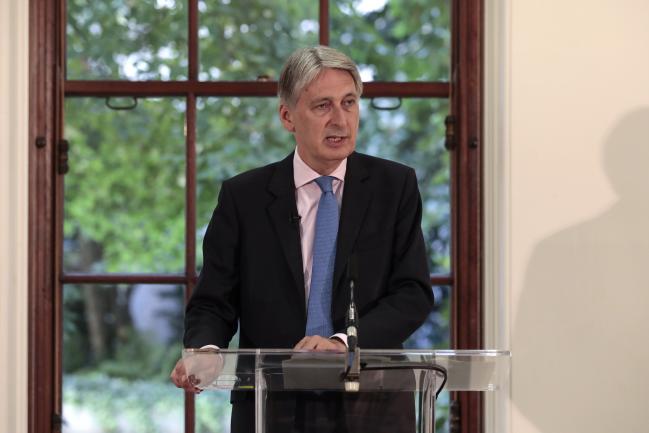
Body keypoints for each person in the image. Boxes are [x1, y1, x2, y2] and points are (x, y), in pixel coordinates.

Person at [171, 45, 434, 433]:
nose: (341, 120)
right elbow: (213, 301)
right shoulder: (244, 197)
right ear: (287, 116)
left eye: (349, 102)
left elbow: (412, 292)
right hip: (270, 402)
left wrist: (344, 341)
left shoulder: (394, 186)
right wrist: (207, 352)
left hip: (371, 400)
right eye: (323, 106)